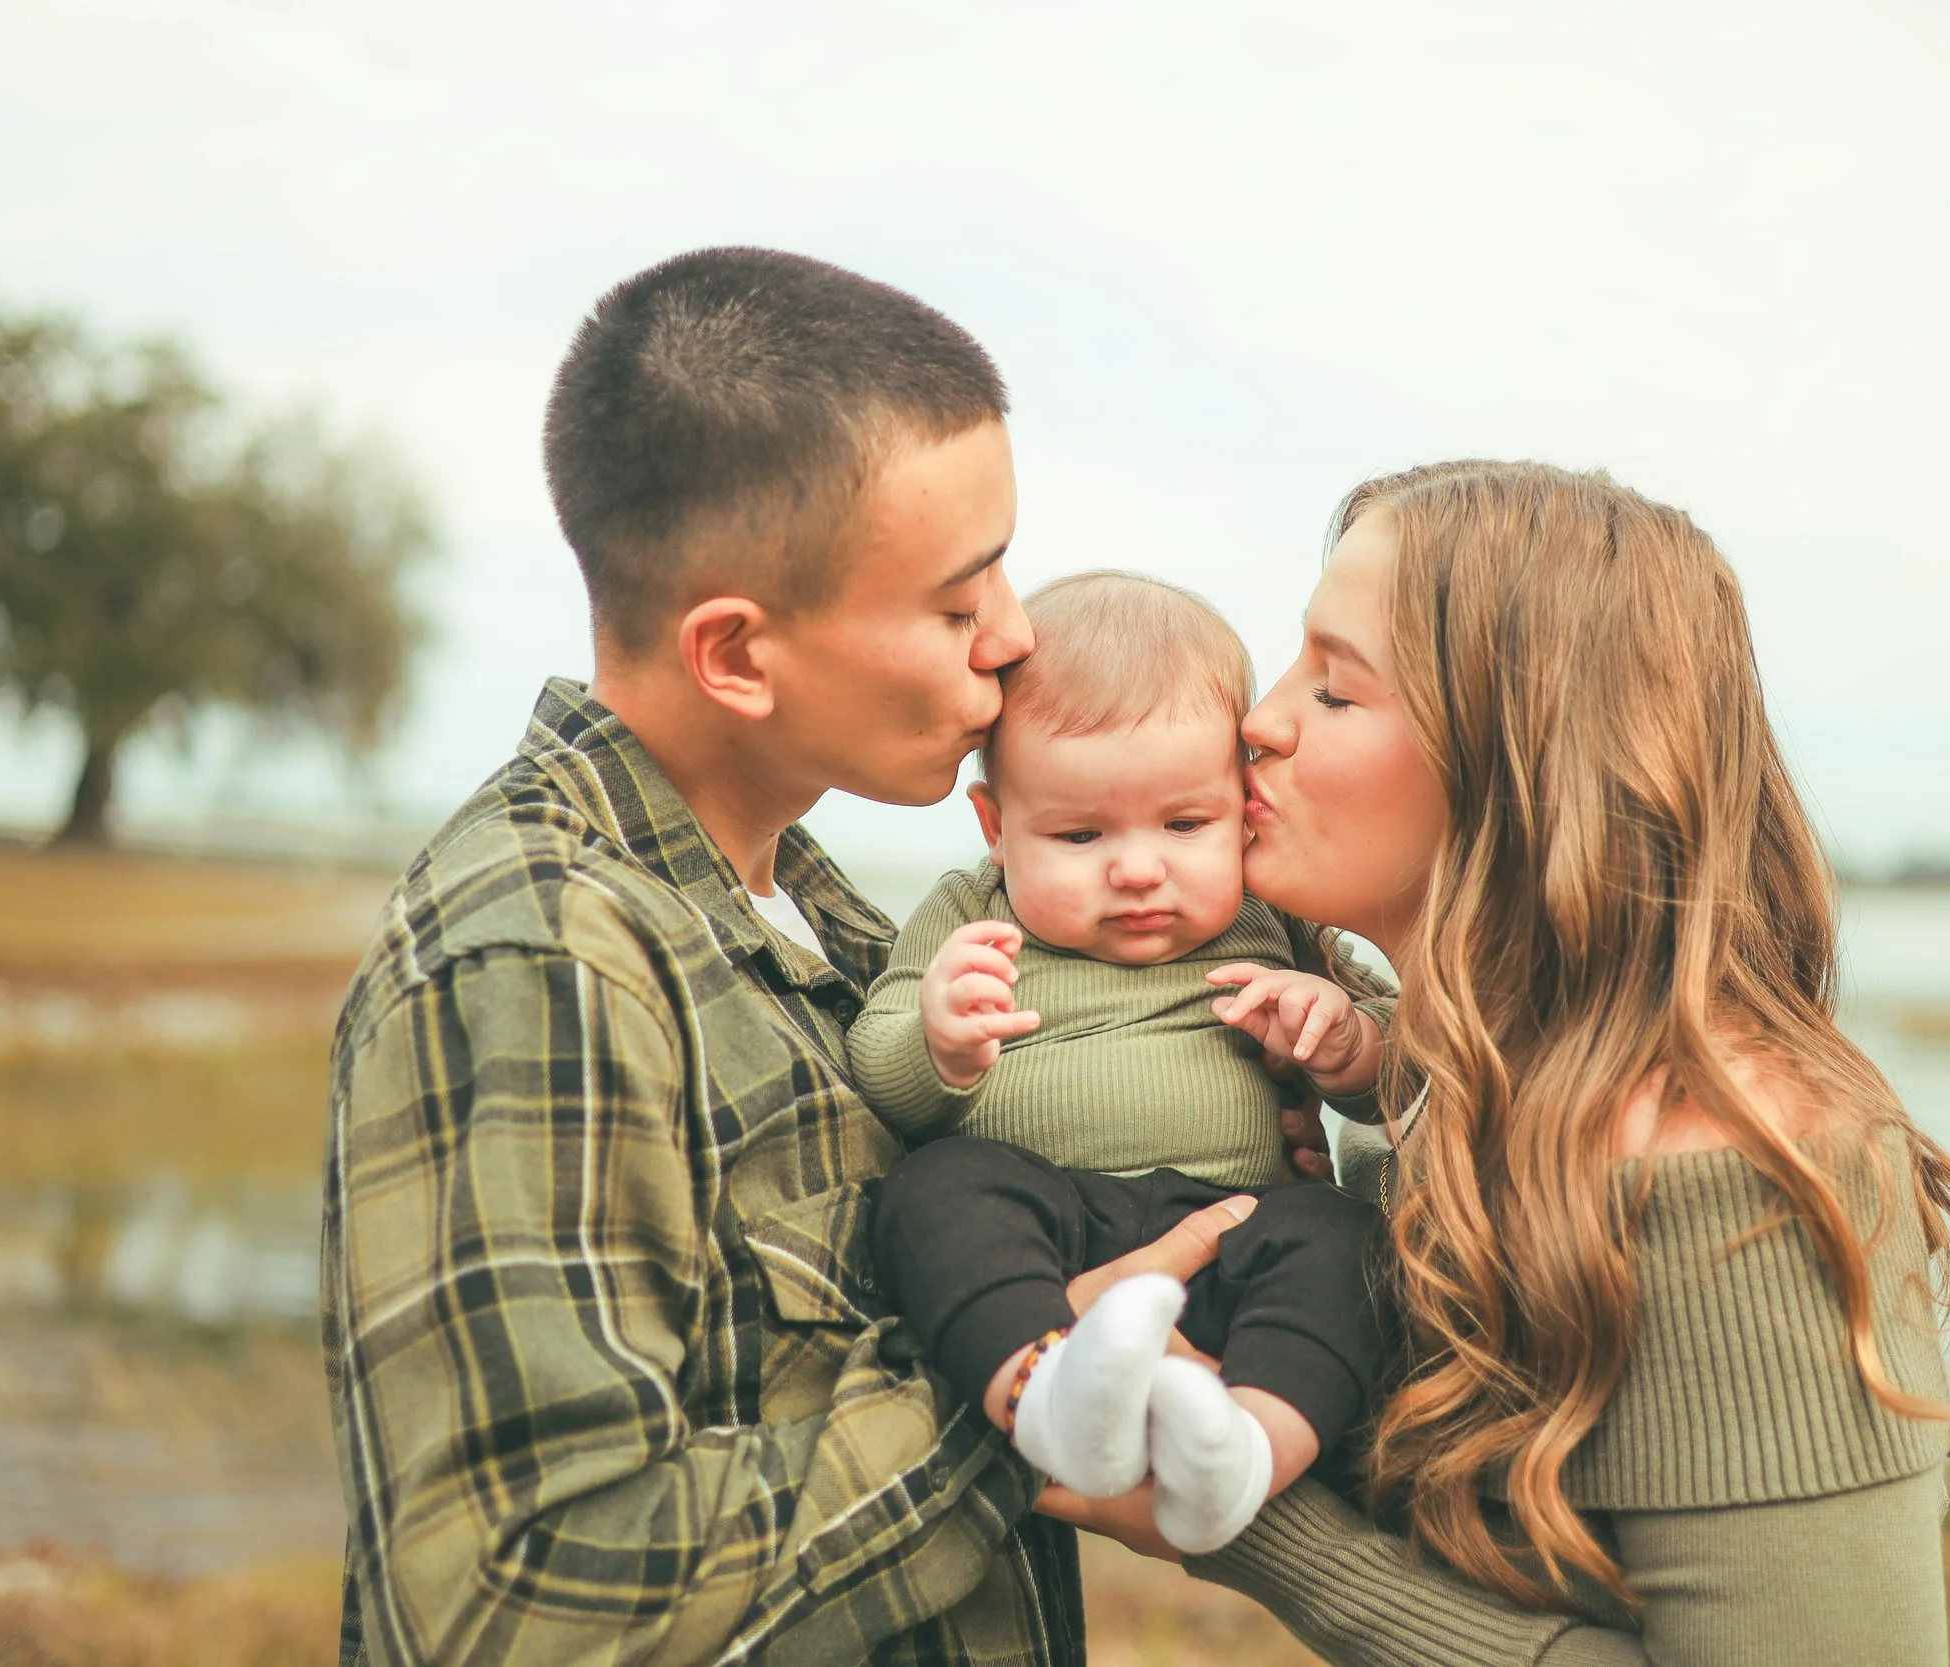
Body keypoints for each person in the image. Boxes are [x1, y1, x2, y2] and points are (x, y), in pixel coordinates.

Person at [317, 249, 1262, 1667]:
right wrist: (1014, 1374)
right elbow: (513, 1605)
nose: (1014, 638)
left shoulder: (856, 931)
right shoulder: (538, 951)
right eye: (958, 601)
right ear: (739, 655)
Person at [1048, 461, 1950, 1666]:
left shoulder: (1731, 1163)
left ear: (1521, 763)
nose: (1261, 718)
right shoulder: (1476, 1090)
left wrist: (1245, 1511)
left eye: (1335, 689)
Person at [848, 571, 1389, 1556]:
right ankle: (1044, 1390)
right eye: (1080, 833)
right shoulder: (974, 914)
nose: (1137, 868)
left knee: (1345, 1232)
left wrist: (1346, 1039)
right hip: (1046, 1225)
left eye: (1186, 824)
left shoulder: (1276, 920)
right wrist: (938, 1042)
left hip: (1238, 1226)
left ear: (1243, 807)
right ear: (996, 828)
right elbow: (880, 1062)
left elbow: (1400, 1069)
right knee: (936, 1187)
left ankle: (1248, 1448)